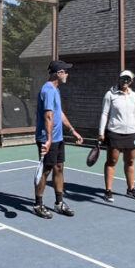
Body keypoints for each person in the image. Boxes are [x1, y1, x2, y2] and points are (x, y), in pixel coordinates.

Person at [33, 60, 84, 219]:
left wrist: (72, 130)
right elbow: (48, 116)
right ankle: (38, 204)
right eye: (65, 71)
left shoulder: (56, 90)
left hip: (58, 137)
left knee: (59, 167)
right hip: (47, 139)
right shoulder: (48, 90)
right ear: (58, 73)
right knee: (46, 170)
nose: (67, 74)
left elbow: (58, 113)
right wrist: (48, 140)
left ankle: (59, 203)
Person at [98, 70, 135, 202]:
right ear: (119, 79)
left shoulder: (133, 96)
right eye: (123, 78)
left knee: (130, 161)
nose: (125, 81)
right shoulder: (110, 95)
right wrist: (101, 132)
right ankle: (108, 191)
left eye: (128, 79)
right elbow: (104, 114)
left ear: (131, 81)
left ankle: (131, 189)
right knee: (112, 162)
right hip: (115, 133)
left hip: (132, 133)